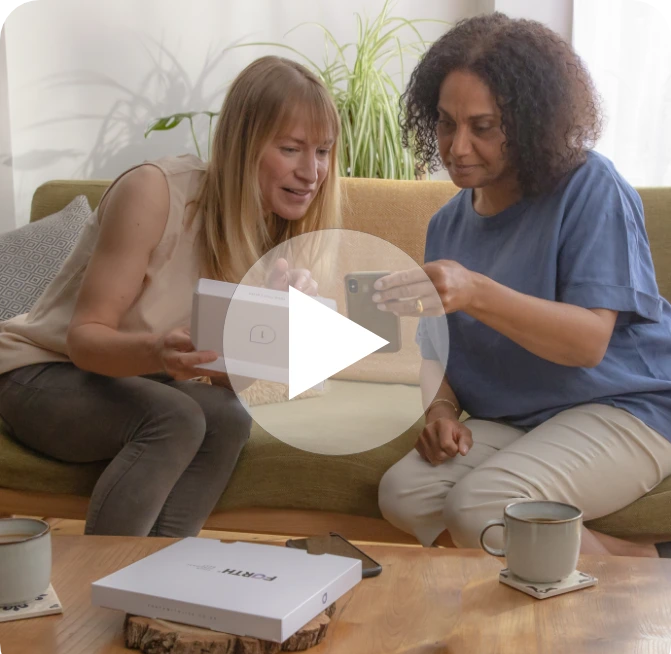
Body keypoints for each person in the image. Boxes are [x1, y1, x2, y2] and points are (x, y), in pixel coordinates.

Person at [0, 56, 340, 537]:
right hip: (40, 372)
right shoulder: (154, 192)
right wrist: (156, 351)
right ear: (242, 144)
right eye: (291, 148)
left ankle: (163, 580)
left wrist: (272, 332)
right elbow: (84, 340)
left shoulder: (270, 233)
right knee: (176, 416)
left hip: (135, 384)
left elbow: (224, 380)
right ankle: (104, 586)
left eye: (323, 152)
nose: (312, 171)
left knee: (228, 417)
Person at [375, 13, 671, 557]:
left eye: (482, 127)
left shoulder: (590, 187)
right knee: (403, 493)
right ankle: (568, 565)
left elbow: (587, 343)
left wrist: (474, 291)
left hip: (631, 407)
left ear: (531, 122)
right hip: (525, 421)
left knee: (480, 507)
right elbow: (435, 351)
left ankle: (644, 567)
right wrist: (440, 414)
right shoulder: (446, 224)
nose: (457, 148)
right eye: (445, 123)